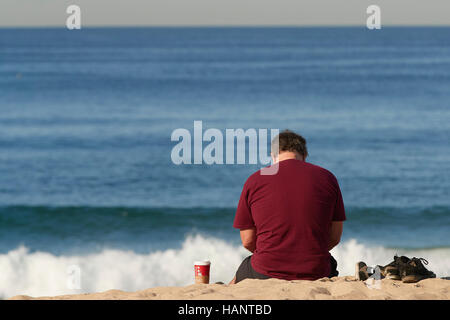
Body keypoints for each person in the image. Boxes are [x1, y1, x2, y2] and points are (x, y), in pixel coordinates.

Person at [229, 130, 345, 284]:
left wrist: (273, 254)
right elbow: (335, 237)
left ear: (273, 155)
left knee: (240, 274)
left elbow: (248, 240)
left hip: (266, 270)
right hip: (316, 271)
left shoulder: (255, 180)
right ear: (304, 155)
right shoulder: (328, 178)